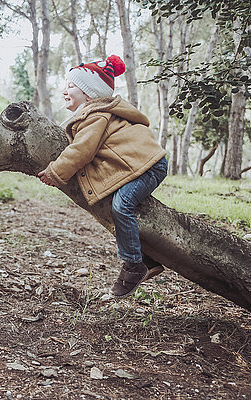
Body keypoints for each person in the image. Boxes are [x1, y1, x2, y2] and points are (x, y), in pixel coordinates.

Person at [38, 55, 168, 297]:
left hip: (149, 166)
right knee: (117, 207)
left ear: (89, 95)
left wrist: (56, 172)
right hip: (138, 166)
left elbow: (82, 150)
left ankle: (133, 265)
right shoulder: (93, 114)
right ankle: (147, 258)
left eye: (71, 86)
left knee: (122, 205)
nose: (65, 91)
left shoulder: (95, 114)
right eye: (66, 85)